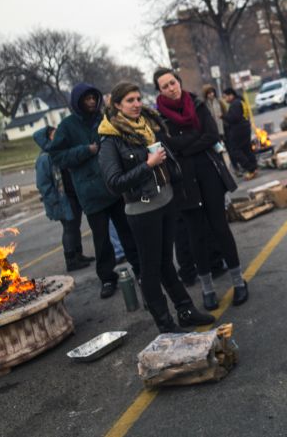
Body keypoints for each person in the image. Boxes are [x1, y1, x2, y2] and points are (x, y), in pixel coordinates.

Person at [98, 82, 215, 333]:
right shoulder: (110, 140)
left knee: (166, 263)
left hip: (167, 202)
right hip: (142, 211)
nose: (137, 104)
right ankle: (165, 323)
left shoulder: (148, 125)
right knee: (151, 269)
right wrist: (148, 165)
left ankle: (185, 310)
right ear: (117, 105)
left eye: (138, 98)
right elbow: (114, 184)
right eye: (129, 100)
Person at [153, 68, 249, 310]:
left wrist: (182, 146)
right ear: (159, 91)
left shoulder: (196, 104)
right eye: (164, 86)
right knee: (196, 235)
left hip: (209, 174)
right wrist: (189, 142)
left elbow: (211, 135)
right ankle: (208, 290)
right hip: (183, 183)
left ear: (179, 82)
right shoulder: (159, 118)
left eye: (172, 82)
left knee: (220, 228)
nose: (170, 88)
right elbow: (166, 146)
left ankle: (239, 282)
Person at [49, 83, 141, 298]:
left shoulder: (104, 119)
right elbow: (56, 156)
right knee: (101, 241)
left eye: (93, 98)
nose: (91, 102)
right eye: (86, 99)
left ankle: (140, 270)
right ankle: (107, 279)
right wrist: (85, 150)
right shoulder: (67, 126)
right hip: (90, 194)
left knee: (128, 233)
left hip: (115, 188)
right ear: (77, 102)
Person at [34, 126, 93, 272]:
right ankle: (71, 260)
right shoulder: (44, 158)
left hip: (72, 196)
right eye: (54, 133)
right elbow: (43, 184)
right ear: (47, 137)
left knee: (75, 226)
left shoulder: (60, 151)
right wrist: (54, 200)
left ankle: (79, 255)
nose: (59, 135)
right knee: (69, 228)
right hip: (62, 199)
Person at [222, 88, 258, 181]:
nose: (225, 99)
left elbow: (234, 118)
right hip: (245, 127)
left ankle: (250, 168)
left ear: (231, 95)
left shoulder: (235, 104)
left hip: (239, 130)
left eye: (225, 97)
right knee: (247, 149)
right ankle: (253, 168)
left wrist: (223, 116)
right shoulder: (240, 101)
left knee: (235, 151)